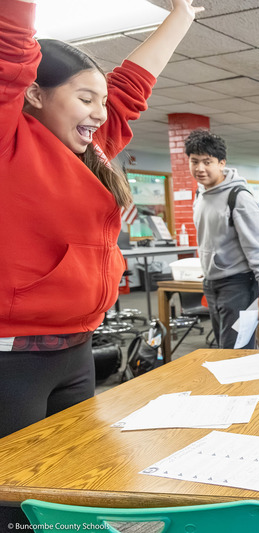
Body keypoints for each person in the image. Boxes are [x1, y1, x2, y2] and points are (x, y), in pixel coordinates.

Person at [0, 0, 199, 439]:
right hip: (13, 358)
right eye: (85, 99)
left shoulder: (92, 149)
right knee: (14, 482)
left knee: (75, 471)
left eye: (102, 101)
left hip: (77, 349)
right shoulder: (8, 140)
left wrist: (181, 15)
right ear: (34, 93)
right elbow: (9, 42)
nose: (101, 112)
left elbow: (132, 86)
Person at [186, 129, 259, 349]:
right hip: (212, 283)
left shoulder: (239, 197)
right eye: (194, 161)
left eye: (207, 162)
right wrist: (210, 264)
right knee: (224, 348)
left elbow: (257, 247)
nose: (200, 168)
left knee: (235, 350)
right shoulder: (200, 194)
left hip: (238, 284)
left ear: (221, 163)